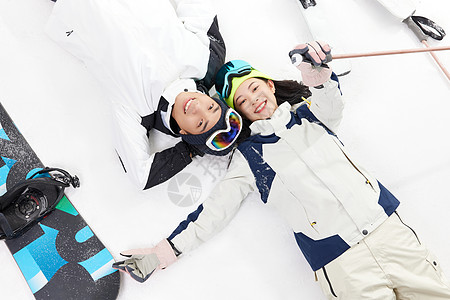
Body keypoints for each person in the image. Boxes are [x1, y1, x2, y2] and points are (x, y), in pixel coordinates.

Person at [112, 42, 450, 299]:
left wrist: (318, 77)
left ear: (269, 85)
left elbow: (331, 103)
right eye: (243, 101)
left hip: (390, 235)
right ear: (239, 115)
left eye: (255, 88)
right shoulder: (249, 160)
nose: (254, 99)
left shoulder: (312, 117)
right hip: (343, 264)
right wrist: (163, 253)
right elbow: (213, 214)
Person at [45, 0, 242, 190]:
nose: (197, 107)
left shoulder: (139, 110)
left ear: (185, 133)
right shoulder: (206, 61)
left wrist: (189, 151)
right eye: (211, 107)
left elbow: (141, 175)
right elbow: (200, 10)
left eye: (200, 123)